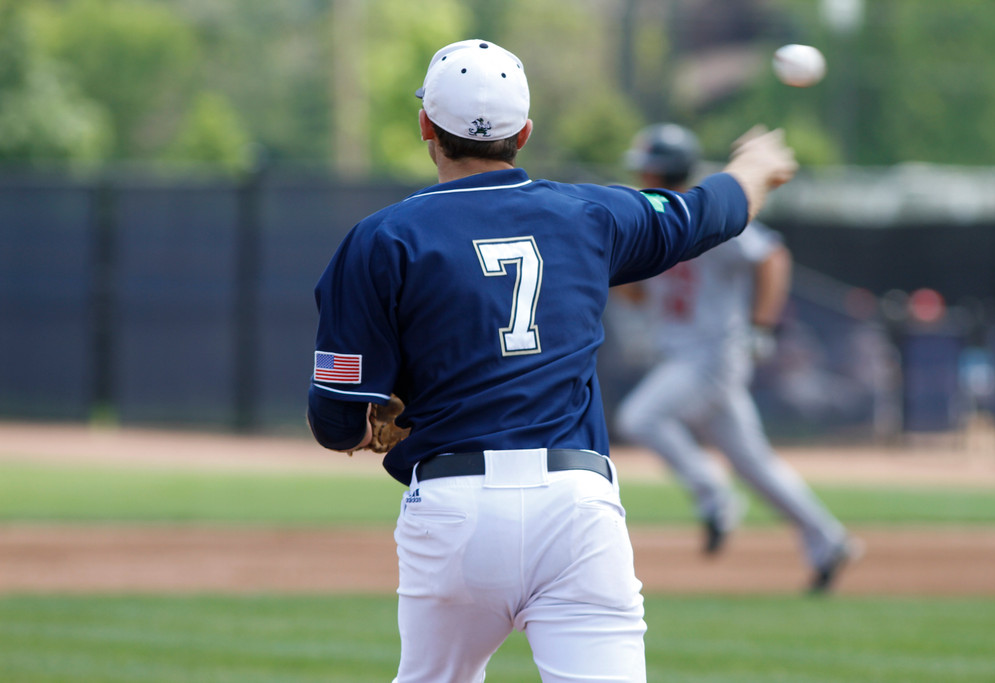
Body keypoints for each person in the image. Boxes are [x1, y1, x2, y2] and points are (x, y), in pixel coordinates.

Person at [307, 39, 797, 683]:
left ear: (426, 125)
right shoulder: (589, 213)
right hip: (576, 506)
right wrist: (754, 168)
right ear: (524, 133)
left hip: (453, 506)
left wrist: (368, 427)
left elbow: (336, 419)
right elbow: (709, 212)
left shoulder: (383, 238)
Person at [613, 123, 862, 594]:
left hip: (712, 355)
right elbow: (639, 297)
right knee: (754, 463)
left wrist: (762, 325)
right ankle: (828, 540)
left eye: (647, 166)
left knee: (641, 417)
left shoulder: (702, 214)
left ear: (665, 168)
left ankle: (714, 495)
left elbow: (772, 256)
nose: (640, 173)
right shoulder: (653, 217)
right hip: (683, 355)